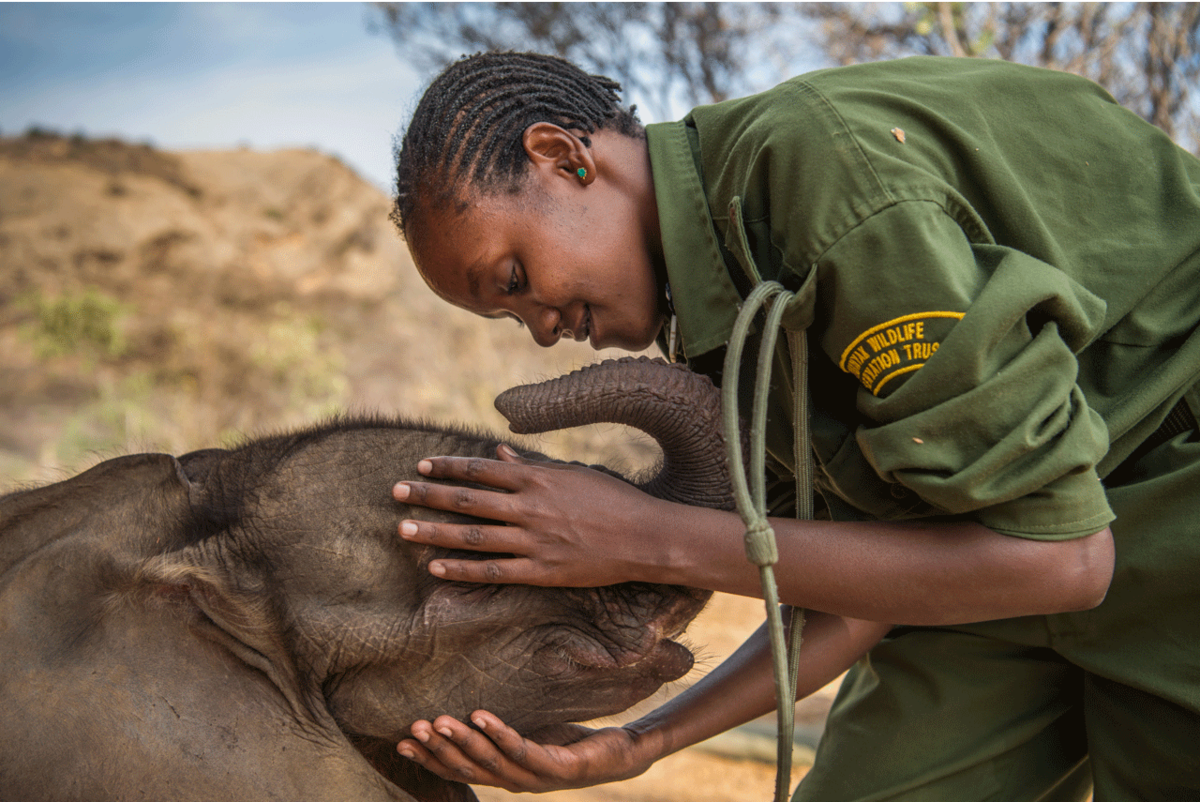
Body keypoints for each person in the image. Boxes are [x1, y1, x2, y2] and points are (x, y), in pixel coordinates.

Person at [386, 51, 1200, 800]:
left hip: (1166, 499)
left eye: (517, 278)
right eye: (507, 314)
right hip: (1000, 552)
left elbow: (1063, 558)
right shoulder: (719, 317)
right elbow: (862, 580)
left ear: (564, 158)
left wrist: (644, 536)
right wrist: (642, 742)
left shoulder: (818, 181)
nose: (539, 327)